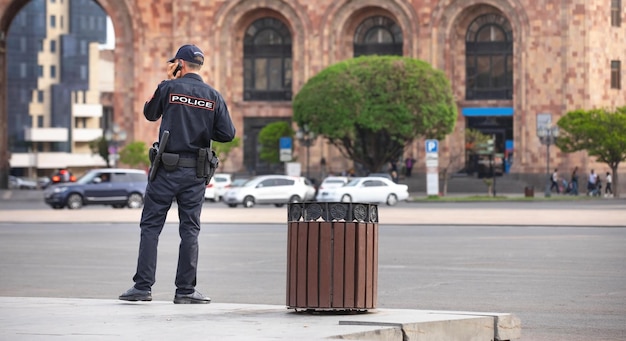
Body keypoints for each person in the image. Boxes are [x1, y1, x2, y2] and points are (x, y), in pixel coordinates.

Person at [119, 44, 236, 304]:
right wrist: (203, 125)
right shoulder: (213, 96)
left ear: (180, 65)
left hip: (166, 170)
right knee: (190, 231)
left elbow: (150, 114)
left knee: (151, 227)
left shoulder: (168, 87)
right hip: (195, 173)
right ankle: (185, 291)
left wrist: (168, 82)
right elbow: (227, 134)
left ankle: (142, 288)